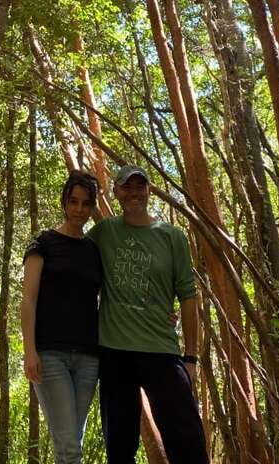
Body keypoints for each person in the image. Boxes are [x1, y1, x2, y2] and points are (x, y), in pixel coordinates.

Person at [87, 163, 209, 464]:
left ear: (149, 190)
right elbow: (74, 260)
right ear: (115, 192)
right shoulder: (104, 232)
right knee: (120, 445)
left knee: (187, 441)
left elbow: (188, 296)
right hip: (115, 354)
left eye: (139, 186)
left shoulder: (172, 236)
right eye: (126, 187)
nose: (133, 193)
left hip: (161, 350)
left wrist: (191, 358)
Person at [20, 170, 103, 464]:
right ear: (64, 202)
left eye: (86, 203)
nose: (79, 209)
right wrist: (29, 350)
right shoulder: (43, 243)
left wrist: (160, 315)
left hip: (89, 358)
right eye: (74, 202)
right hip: (50, 354)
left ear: (93, 207)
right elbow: (28, 299)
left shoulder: (95, 250)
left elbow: (116, 298)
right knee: (69, 446)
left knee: (70, 442)